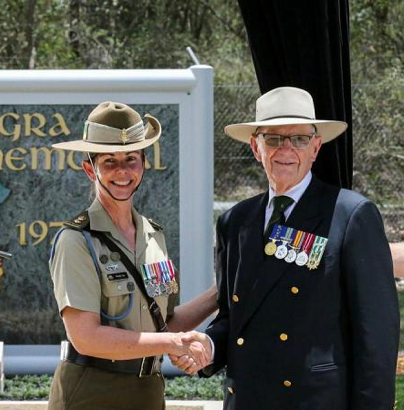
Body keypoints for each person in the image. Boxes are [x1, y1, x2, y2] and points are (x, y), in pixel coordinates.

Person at [175, 87, 399, 409]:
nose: (286, 150)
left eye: (299, 139)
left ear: (316, 147)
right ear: (255, 147)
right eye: (274, 139)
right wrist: (208, 345)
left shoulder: (349, 215)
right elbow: (236, 318)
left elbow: (376, 336)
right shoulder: (235, 222)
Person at [47, 101, 218, 410]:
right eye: (109, 161)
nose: (122, 171)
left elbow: (165, 324)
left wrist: (223, 293)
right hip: (91, 393)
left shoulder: (154, 236)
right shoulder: (76, 241)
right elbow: (86, 337)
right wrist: (171, 344)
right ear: (90, 169)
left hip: (148, 392)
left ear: (144, 164)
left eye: (131, 159)